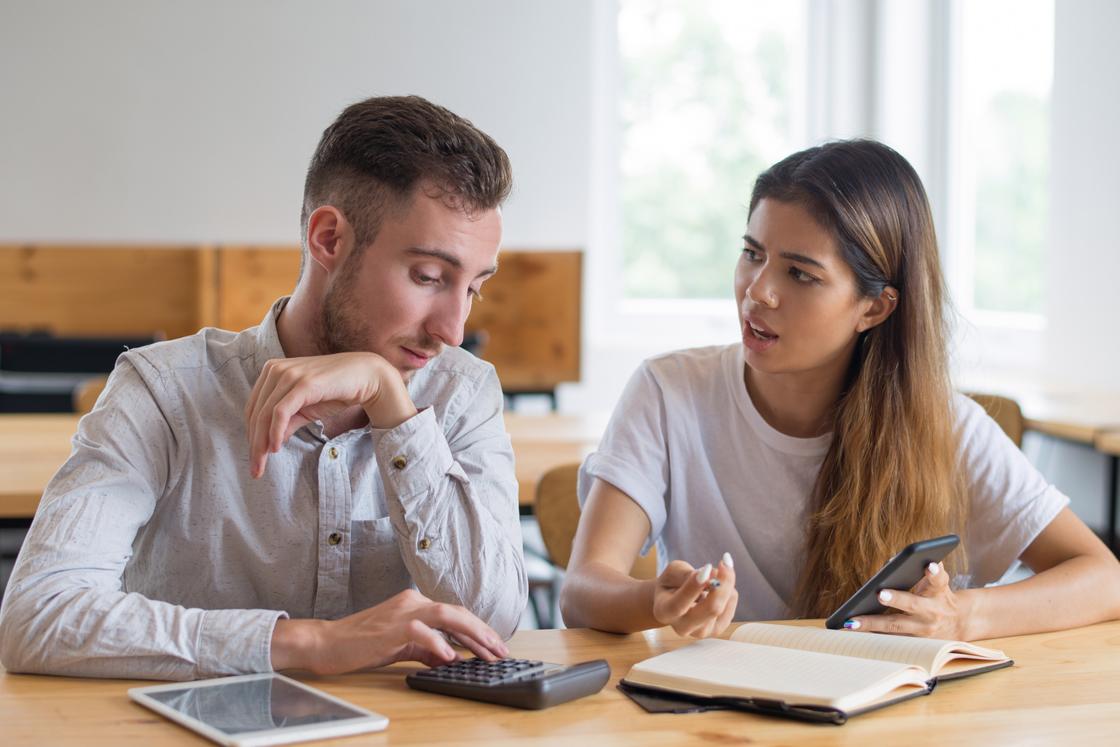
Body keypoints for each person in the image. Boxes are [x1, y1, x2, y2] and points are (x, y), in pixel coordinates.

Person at [0, 95, 527, 679]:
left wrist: (393, 409)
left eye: (474, 287)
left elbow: (493, 619)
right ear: (328, 239)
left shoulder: (463, 393)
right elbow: (37, 615)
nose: (452, 331)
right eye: (428, 277)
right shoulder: (163, 391)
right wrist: (309, 645)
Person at [560, 139, 1120, 641]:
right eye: (752, 253)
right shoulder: (668, 392)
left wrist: (963, 616)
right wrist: (655, 600)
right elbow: (582, 591)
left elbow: (1103, 579)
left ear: (874, 307)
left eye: (800, 274)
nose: (758, 291)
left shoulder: (945, 425)